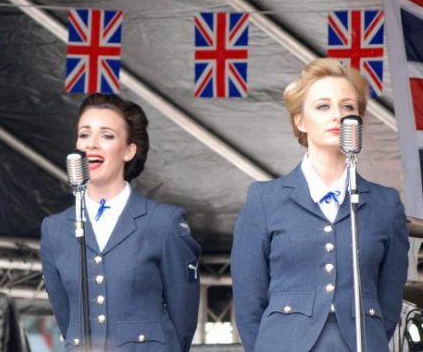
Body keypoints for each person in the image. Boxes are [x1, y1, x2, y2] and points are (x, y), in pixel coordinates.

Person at [231, 58, 409, 351]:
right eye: (323, 106)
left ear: (359, 120)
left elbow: (388, 301)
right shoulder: (265, 199)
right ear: (300, 120)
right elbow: (249, 301)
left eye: (348, 107)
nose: (337, 115)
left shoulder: (385, 204)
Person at [40, 94, 201, 351]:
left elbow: (183, 317)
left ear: (129, 150)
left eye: (107, 135)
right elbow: (66, 316)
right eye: (84, 134)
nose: (91, 144)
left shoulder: (163, 222)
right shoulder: (55, 229)